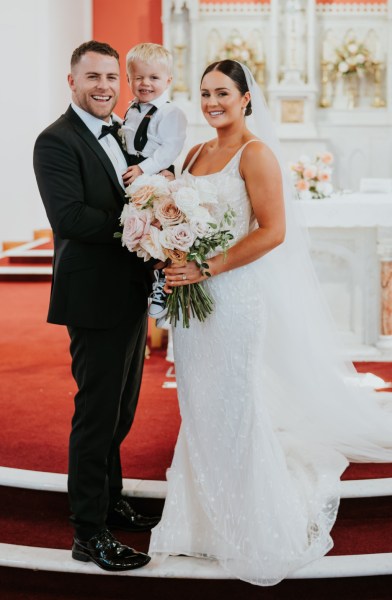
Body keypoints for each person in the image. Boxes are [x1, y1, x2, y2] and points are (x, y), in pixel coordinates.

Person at [148, 60, 392, 585]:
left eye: (223, 94)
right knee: (197, 399)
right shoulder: (194, 151)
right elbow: (177, 214)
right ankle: (199, 519)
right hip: (192, 297)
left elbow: (273, 231)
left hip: (232, 296)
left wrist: (206, 265)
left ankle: (251, 520)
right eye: (206, 93)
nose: (213, 102)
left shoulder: (255, 154)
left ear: (245, 98)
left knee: (233, 402)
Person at [33, 40, 160, 572]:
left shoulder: (123, 132)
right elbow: (71, 219)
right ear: (72, 81)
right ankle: (89, 532)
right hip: (92, 297)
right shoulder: (55, 141)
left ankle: (110, 499)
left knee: (121, 411)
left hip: (127, 293)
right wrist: (147, 227)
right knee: (96, 416)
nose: (105, 86)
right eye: (93, 78)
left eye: (112, 77)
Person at [121, 42, 187, 320]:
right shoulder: (131, 108)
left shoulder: (171, 113)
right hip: (134, 175)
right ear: (129, 79)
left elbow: (170, 148)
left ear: (168, 80)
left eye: (154, 78)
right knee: (138, 229)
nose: (145, 83)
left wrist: (144, 169)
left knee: (158, 228)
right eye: (138, 77)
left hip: (156, 175)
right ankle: (142, 280)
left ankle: (161, 282)